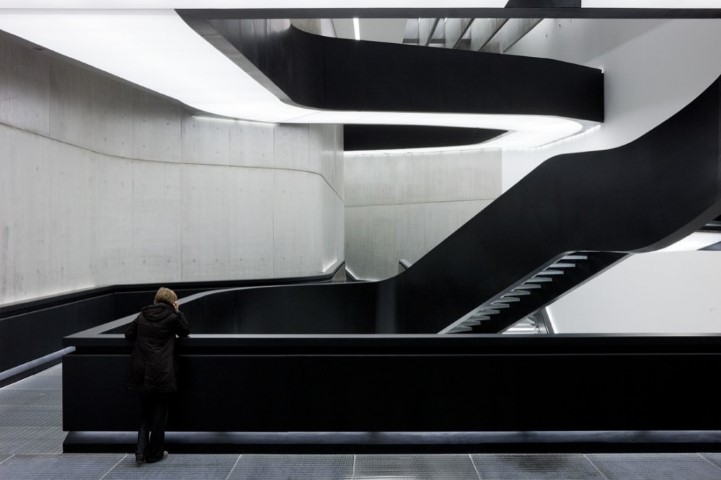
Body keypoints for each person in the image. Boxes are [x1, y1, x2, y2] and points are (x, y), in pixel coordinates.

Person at [125, 287, 190, 465]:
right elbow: (185, 331)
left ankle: (140, 451)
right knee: (160, 412)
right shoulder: (172, 316)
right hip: (161, 371)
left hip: (141, 370)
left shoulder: (142, 315)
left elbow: (128, 334)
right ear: (172, 302)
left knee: (145, 412)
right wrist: (177, 311)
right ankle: (155, 453)